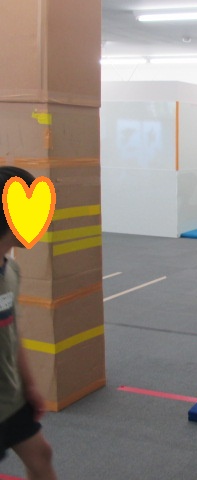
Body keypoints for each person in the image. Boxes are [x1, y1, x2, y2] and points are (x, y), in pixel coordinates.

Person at [0, 166, 57, 479]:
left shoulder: (12, 271)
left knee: (41, 455)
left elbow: (12, 331)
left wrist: (30, 385)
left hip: (11, 396)